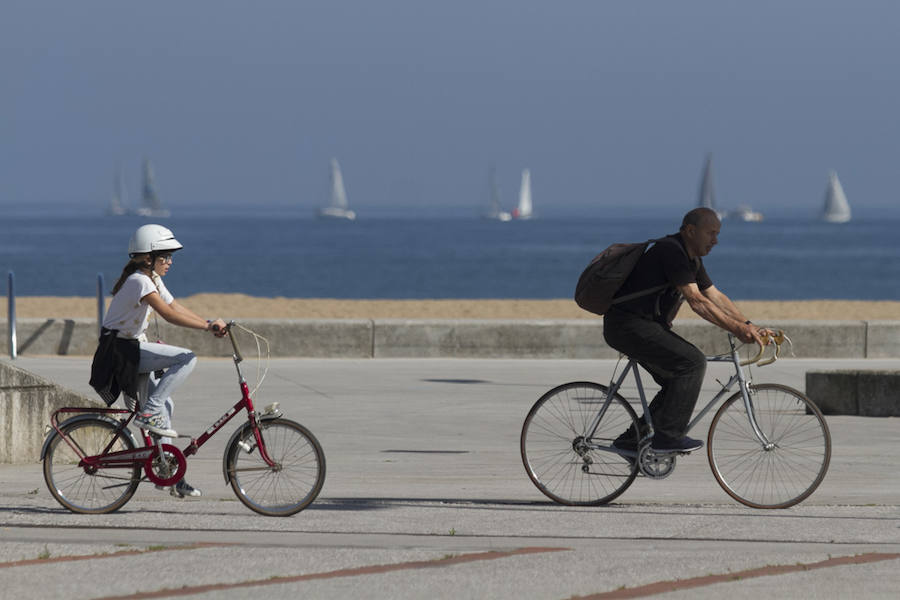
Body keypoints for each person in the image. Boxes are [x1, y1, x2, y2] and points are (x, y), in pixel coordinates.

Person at [605, 207, 772, 454]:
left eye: (718, 234)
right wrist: (736, 329)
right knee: (692, 363)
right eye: (711, 233)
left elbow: (714, 295)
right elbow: (696, 301)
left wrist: (747, 325)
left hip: (643, 326)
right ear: (690, 231)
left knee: (678, 381)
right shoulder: (671, 251)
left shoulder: (691, 257)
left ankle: (632, 442)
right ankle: (667, 438)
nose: (715, 241)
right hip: (628, 325)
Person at [90, 224, 226, 498]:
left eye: (170, 257)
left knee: (167, 404)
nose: (170, 262)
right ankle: (149, 411)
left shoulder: (151, 279)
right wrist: (205, 328)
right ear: (147, 257)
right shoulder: (140, 281)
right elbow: (168, 314)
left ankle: (170, 475)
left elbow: (175, 306)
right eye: (165, 257)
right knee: (186, 358)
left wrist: (208, 322)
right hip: (120, 352)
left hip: (130, 348)